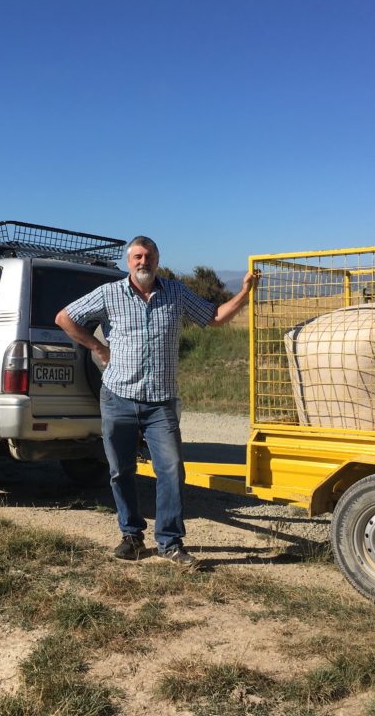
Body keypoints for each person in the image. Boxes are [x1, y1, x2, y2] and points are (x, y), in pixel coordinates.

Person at [55, 235, 256, 568]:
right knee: (120, 471)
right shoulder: (109, 294)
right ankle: (131, 536)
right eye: (136, 257)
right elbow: (65, 317)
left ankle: (170, 542)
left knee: (172, 470)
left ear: (157, 260)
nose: (142, 262)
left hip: (160, 404)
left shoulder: (175, 293)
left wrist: (245, 293)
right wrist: (97, 347)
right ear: (128, 261)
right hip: (117, 398)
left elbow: (215, 317)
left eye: (148, 256)